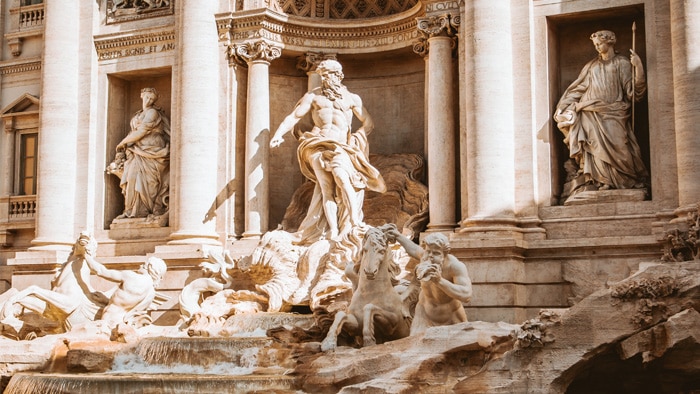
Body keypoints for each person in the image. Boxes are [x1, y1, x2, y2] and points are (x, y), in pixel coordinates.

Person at [271, 60, 386, 244]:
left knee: (343, 178)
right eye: (322, 75)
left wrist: (357, 140)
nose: (325, 78)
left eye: (328, 74)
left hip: (341, 147)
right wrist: (278, 134)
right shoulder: (313, 97)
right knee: (326, 190)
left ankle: (355, 222)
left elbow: (368, 123)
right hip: (317, 144)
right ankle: (332, 230)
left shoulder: (352, 98)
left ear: (339, 75)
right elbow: (295, 116)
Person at [554, 30, 648, 193]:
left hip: (615, 112)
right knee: (594, 147)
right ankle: (599, 181)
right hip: (590, 112)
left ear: (610, 42)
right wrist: (563, 107)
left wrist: (638, 66)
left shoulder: (622, 63)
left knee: (620, 147)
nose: (597, 47)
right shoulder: (591, 66)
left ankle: (625, 180)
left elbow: (633, 93)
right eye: (595, 45)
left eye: (600, 44)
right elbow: (578, 89)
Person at [387, 228, 473, 335]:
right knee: (415, 347)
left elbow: (466, 295)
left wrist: (439, 281)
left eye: (436, 253)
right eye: (428, 251)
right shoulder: (425, 257)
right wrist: (397, 235)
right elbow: (413, 248)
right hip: (424, 315)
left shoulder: (455, 266)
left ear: (444, 255)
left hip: (452, 317)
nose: (430, 256)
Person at [114, 87, 170, 219]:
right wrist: (128, 144)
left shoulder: (153, 113)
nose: (149, 100)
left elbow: (142, 131)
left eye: (152, 99)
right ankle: (131, 211)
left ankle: (145, 210)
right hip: (136, 150)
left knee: (149, 181)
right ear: (141, 96)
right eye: (147, 97)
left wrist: (123, 142)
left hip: (152, 149)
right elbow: (135, 132)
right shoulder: (137, 114)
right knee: (131, 178)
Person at [84, 254, 167, 328]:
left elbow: (100, 271)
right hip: (121, 324)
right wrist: (105, 300)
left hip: (107, 321)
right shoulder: (151, 293)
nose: (140, 265)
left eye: (144, 264)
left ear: (149, 267)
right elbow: (128, 308)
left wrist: (86, 255)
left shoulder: (130, 276)